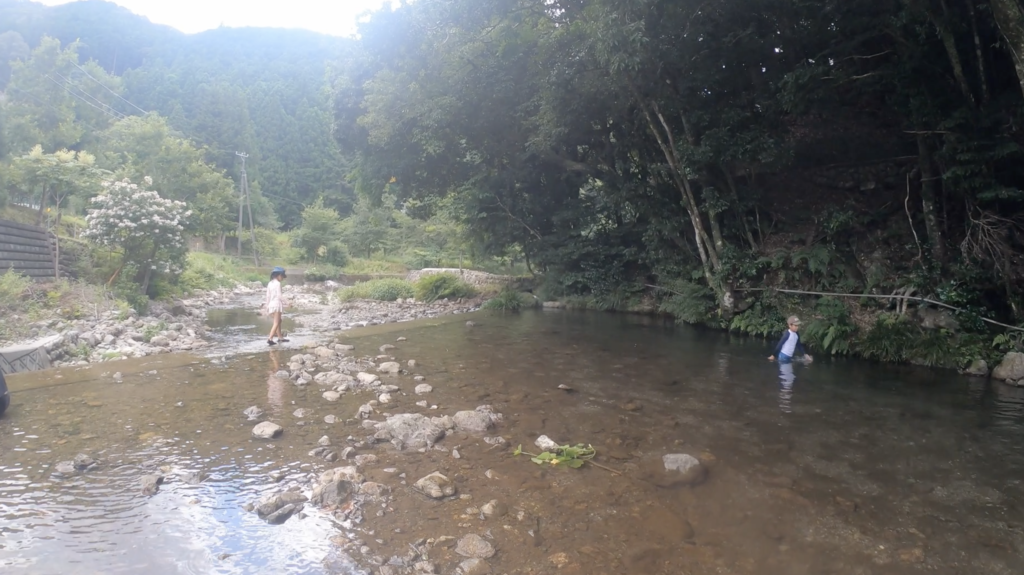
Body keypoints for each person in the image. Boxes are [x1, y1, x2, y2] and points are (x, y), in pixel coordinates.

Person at [264, 267, 290, 346]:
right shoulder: (278, 284)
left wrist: (267, 306)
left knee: (279, 320)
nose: (282, 278)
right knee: (276, 322)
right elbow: (279, 295)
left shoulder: (270, 283)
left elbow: (268, 296)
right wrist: (287, 302)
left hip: (271, 304)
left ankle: (280, 337)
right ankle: (270, 338)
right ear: (278, 275)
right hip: (277, 305)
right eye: (282, 276)